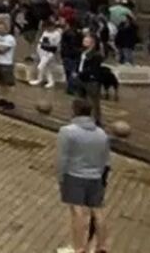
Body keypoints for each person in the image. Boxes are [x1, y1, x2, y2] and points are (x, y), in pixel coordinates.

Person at [56, 98, 111, 253]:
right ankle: (102, 245)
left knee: (77, 211)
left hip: (74, 175)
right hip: (95, 176)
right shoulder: (101, 134)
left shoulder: (67, 132)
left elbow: (62, 158)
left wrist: (61, 177)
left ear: (74, 111)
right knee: (97, 211)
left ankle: (78, 247)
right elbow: (105, 158)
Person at [75, 34, 104, 125]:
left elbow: (93, 68)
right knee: (80, 99)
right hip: (81, 78)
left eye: (86, 41)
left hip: (91, 81)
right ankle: (81, 118)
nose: (84, 43)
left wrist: (85, 73)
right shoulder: (82, 52)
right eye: (84, 41)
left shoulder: (96, 55)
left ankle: (96, 120)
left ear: (92, 43)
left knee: (93, 101)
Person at [32, 18, 61, 88]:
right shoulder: (45, 32)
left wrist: (46, 46)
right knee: (47, 68)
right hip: (42, 51)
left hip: (49, 53)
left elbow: (55, 46)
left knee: (40, 67)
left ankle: (39, 79)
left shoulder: (57, 34)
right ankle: (51, 81)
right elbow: (41, 41)